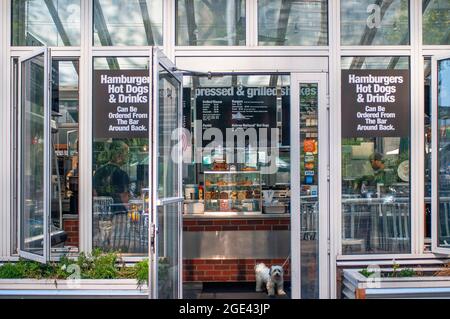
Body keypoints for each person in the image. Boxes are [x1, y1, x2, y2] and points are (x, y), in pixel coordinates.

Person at [93, 140, 130, 248]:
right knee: (118, 244)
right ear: (119, 155)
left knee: (102, 244)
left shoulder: (98, 172)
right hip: (118, 214)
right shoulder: (121, 174)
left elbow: (94, 193)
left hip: (101, 215)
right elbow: (124, 198)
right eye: (126, 154)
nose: (127, 157)